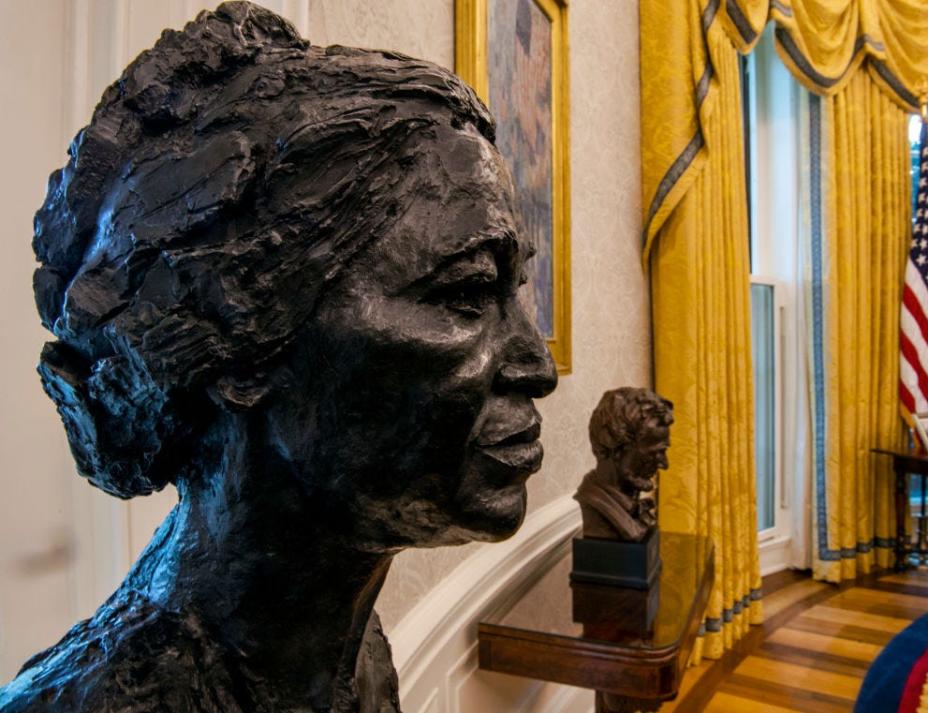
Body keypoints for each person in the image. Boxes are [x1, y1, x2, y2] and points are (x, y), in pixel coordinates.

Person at [0, 3, 556, 711]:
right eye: (467, 292)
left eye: (513, 287)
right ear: (242, 347)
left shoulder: (352, 655)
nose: (535, 367)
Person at [575, 388, 673, 542]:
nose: (664, 464)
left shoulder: (632, 507)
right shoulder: (597, 506)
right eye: (654, 452)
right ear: (616, 449)